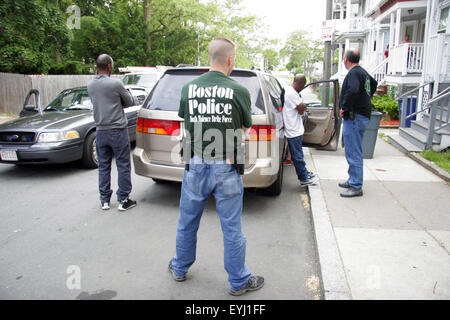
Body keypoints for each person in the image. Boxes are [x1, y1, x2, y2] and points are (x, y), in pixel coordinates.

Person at [169, 37, 264, 296]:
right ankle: (238, 281)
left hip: (196, 163)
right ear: (230, 59)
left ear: (209, 57)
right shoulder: (239, 91)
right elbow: (245, 128)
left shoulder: (189, 88)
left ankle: (179, 268)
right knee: (231, 227)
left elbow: (186, 124)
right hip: (228, 165)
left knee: (187, 221)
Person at [87, 54, 137, 211]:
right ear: (109, 65)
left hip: (100, 130)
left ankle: (104, 200)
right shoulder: (116, 83)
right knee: (123, 164)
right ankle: (123, 199)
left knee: (103, 165)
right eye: (112, 64)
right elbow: (129, 102)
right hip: (117, 130)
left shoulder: (90, 85)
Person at [339, 49, 377, 198]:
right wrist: (366, 98)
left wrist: (345, 107)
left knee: (354, 151)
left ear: (347, 59)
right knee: (352, 150)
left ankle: (355, 185)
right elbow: (373, 84)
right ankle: (352, 179)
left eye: (343, 59)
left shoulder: (354, 73)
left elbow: (353, 90)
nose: (343, 61)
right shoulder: (363, 72)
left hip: (355, 117)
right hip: (361, 115)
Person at [281, 74, 319, 187]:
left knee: (299, 155)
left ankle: (305, 173)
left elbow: (301, 107)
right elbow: (301, 109)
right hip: (293, 129)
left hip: (295, 128)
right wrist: (303, 106)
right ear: (300, 83)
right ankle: (303, 178)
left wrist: (302, 106)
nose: (303, 87)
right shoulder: (291, 93)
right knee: (297, 156)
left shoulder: (290, 90)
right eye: (303, 85)